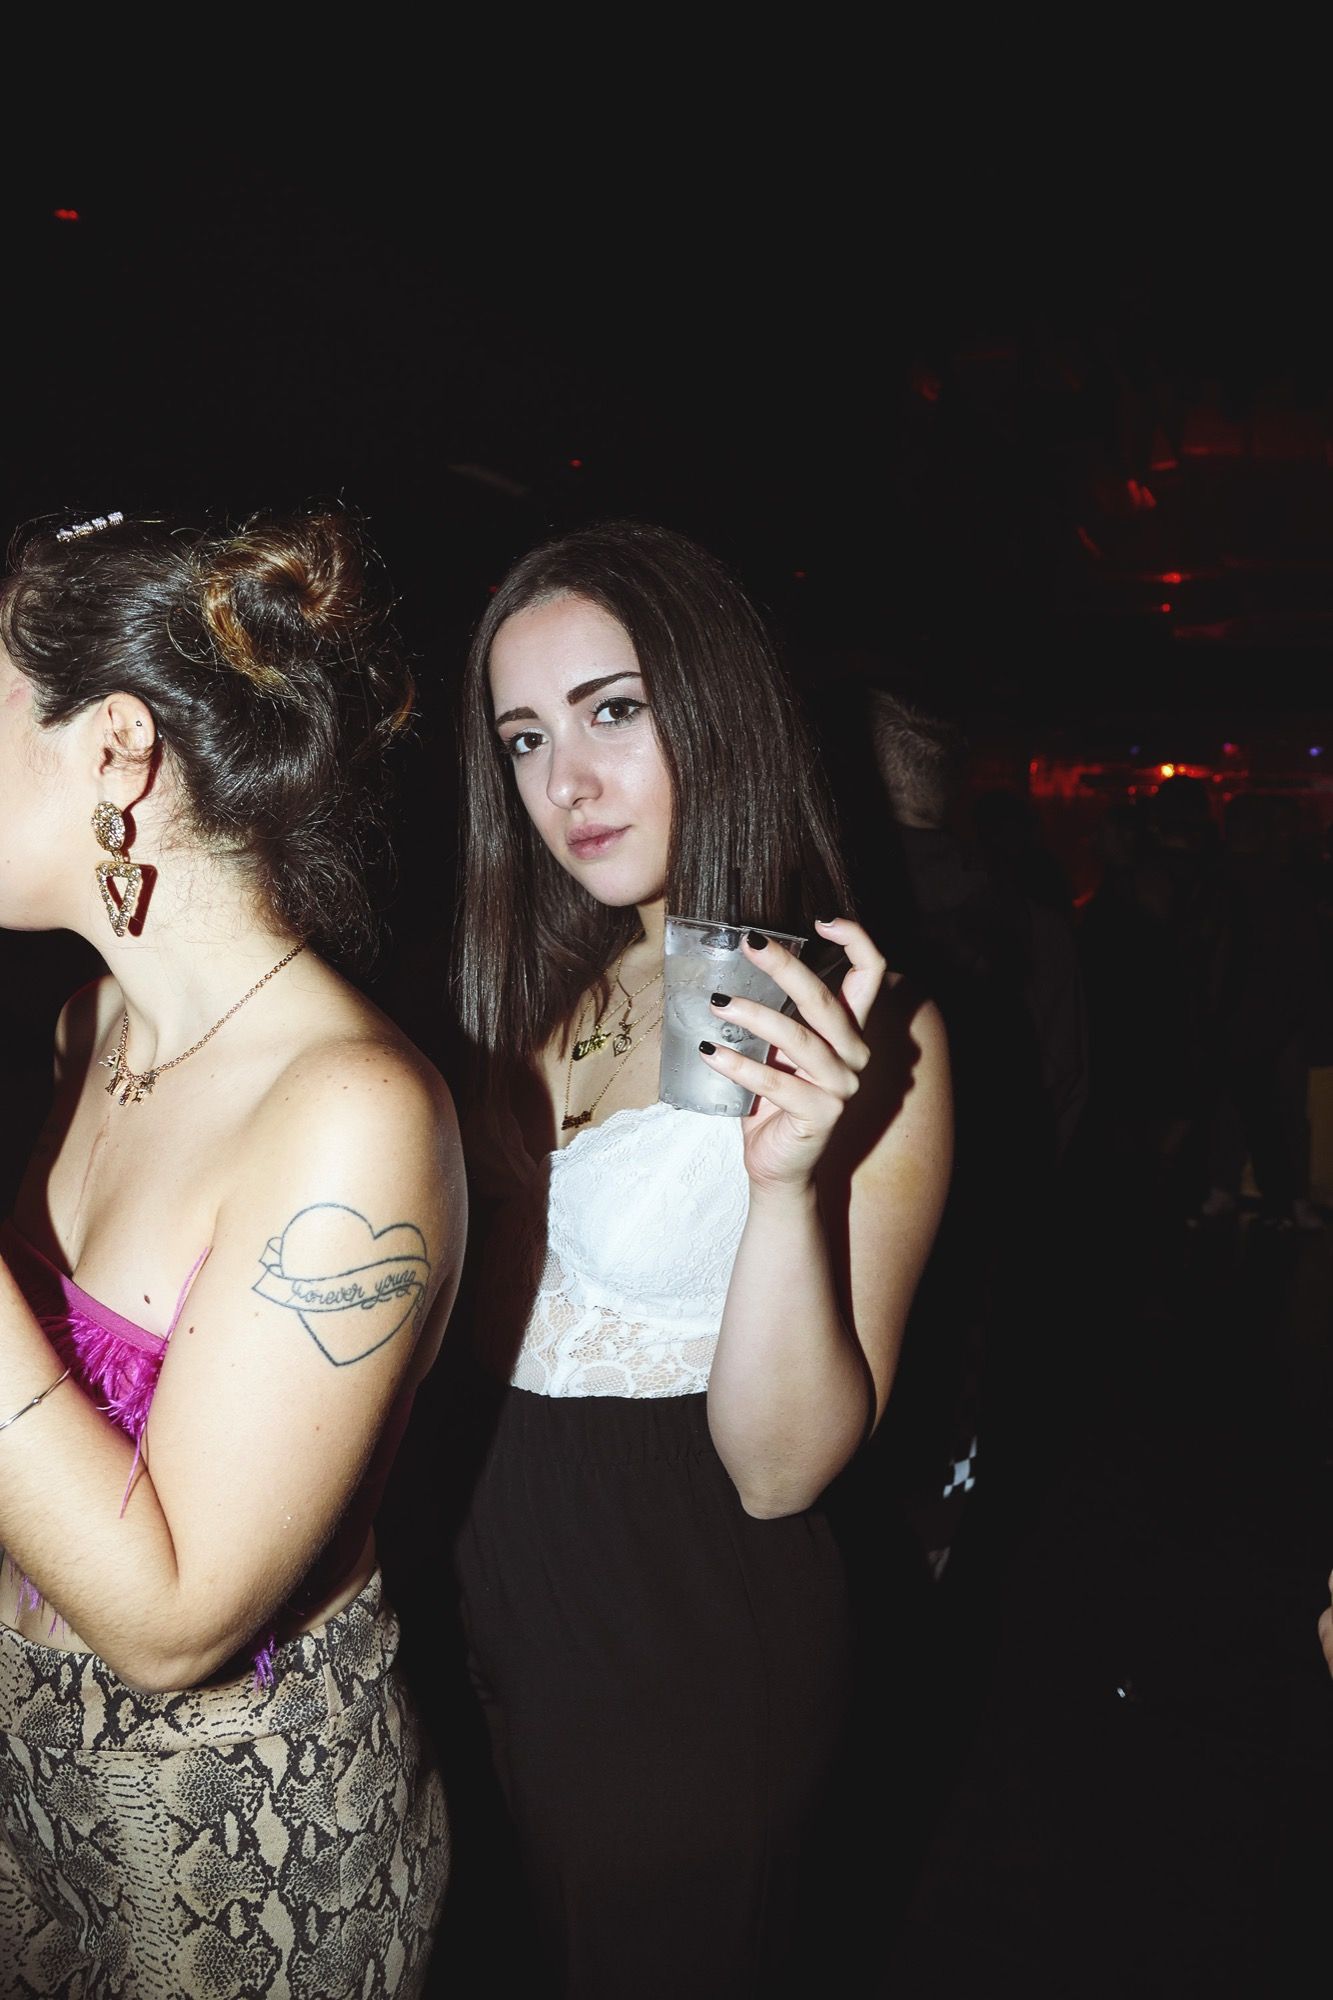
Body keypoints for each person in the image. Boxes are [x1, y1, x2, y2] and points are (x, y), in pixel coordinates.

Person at [448, 520, 952, 1996]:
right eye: (525, 738)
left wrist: (784, 1187)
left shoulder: (852, 1023)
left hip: (679, 1612)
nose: (565, 782)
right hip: (484, 1581)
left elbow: (781, 1474)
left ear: (715, 706)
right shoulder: (538, 982)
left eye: (612, 711)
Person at [0, 508, 464, 1998]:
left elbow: (170, 1619)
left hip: (231, 1850)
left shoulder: (353, 1110)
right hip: (29, 1788)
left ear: (117, 748)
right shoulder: (91, 1024)